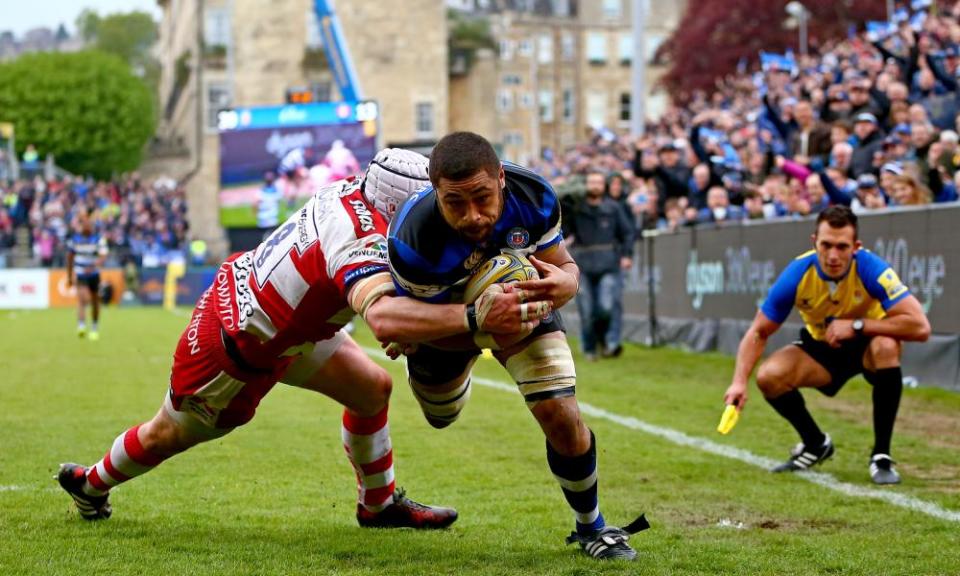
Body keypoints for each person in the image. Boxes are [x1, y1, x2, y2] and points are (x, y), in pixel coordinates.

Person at [57, 148, 539, 529]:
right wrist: (474, 316)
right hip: (238, 346)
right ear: (397, 206)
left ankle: (378, 505)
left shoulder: (356, 192)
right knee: (169, 432)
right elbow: (387, 320)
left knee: (372, 388)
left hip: (287, 327)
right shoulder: (361, 238)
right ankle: (92, 483)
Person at [387, 132, 647, 561]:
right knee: (441, 415)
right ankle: (462, 375)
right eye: (455, 202)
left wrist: (569, 280)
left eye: (482, 197)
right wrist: (481, 327)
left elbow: (562, 265)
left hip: (522, 304)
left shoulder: (535, 196)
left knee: (560, 412)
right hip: (445, 325)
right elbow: (411, 327)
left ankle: (592, 527)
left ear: (501, 178)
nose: (473, 215)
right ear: (435, 193)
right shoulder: (411, 241)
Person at [722, 206, 930, 485]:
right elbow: (759, 331)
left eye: (842, 247)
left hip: (868, 347)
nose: (833, 255)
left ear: (856, 246)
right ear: (814, 242)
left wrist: (858, 325)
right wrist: (738, 382)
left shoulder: (872, 269)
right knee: (769, 377)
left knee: (886, 346)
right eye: (826, 245)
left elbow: (920, 326)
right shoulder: (797, 274)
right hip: (823, 349)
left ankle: (881, 455)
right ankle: (815, 443)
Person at [567, 171, 634, 360]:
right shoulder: (577, 208)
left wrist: (627, 254)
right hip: (582, 265)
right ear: (585, 185)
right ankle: (590, 347)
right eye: (592, 182)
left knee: (606, 307)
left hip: (608, 264)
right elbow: (564, 230)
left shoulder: (613, 208)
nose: (595, 186)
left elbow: (627, 233)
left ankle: (605, 340)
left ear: (604, 185)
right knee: (586, 309)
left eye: (599, 182)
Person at [66, 214, 109, 340]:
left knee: (95, 302)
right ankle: (81, 325)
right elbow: (69, 258)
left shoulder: (98, 240)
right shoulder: (75, 240)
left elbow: (103, 256)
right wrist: (69, 276)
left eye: (88, 225)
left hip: (94, 274)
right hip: (80, 273)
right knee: (82, 298)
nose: (87, 227)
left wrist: (94, 265)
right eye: (84, 224)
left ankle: (94, 327)